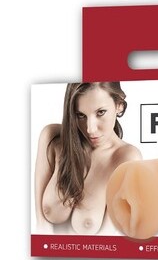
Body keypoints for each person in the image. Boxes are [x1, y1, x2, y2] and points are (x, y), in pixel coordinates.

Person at [35, 81, 142, 234]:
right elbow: (40, 225)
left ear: (119, 105)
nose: (90, 129)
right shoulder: (52, 138)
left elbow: (107, 238)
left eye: (101, 112)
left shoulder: (127, 159)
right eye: (80, 115)